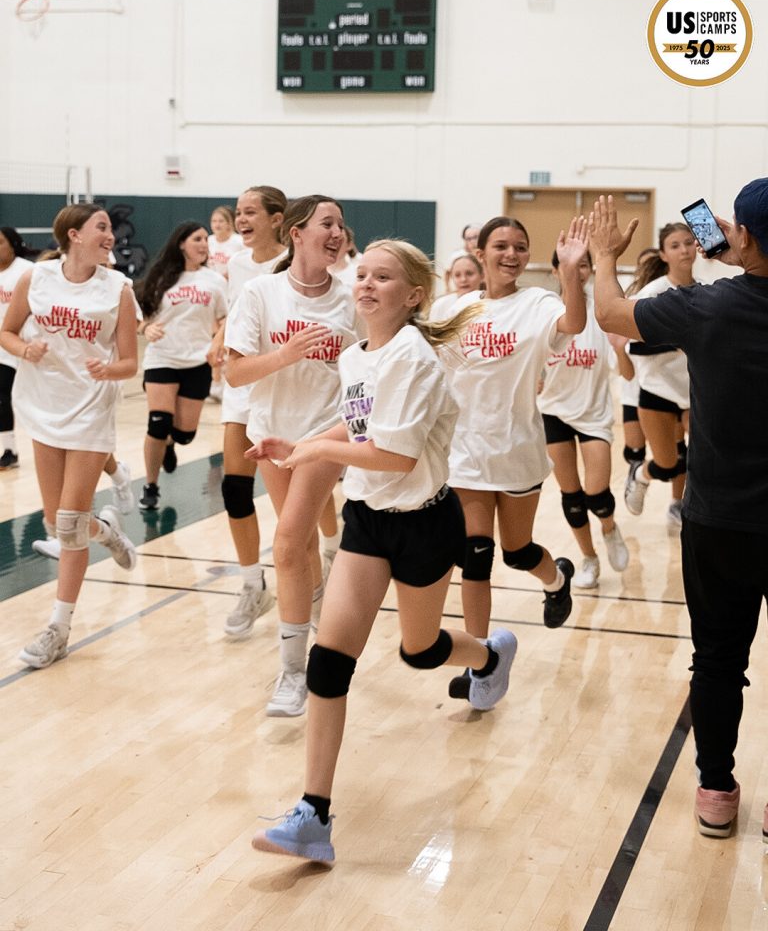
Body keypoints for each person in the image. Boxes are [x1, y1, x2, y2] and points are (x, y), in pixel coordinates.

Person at [250, 239, 518, 863]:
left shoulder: (415, 357)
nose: (367, 284)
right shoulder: (356, 356)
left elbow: (395, 456)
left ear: (414, 295)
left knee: (420, 651)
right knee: (328, 663)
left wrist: (319, 453)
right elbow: (359, 424)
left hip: (426, 525)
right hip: (368, 523)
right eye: (362, 274)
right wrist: (302, 442)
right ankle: (313, 816)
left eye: (384, 277)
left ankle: (490, 654)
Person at [589, 184, 768, 842]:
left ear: (741, 236)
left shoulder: (708, 307)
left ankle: (716, 790)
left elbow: (610, 312)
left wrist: (605, 255)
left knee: (717, 660)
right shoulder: (716, 297)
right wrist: (747, 249)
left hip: (720, 519)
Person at [440, 215, 586, 706]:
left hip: (518, 449)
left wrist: (571, 273)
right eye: (500, 245)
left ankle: (557, 579)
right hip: (466, 454)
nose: (511, 254)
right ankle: (480, 662)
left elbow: (573, 323)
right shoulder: (453, 309)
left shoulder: (538, 303)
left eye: (520, 247)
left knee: (518, 551)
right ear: (479, 252)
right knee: (475, 556)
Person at [225, 195, 360, 717]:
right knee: (300, 548)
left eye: (341, 225)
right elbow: (235, 372)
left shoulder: (351, 299)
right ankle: (321, 617)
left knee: (284, 546)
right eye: (328, 223)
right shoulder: (261, 292)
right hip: (270, 433)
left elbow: (368, 371)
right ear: (297, 233)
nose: (337, 232)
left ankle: (293, 672)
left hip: (324, 435)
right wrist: (284, 355)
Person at [0, 203, 138, 669]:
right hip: (43, 404)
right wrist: (26, 348)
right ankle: (108, 532)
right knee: (55, 522)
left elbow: (129, 362)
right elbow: (6, 333)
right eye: (102, 227)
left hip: (91, 409)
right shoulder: (36, 278)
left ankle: (58, 629)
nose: (110, 236)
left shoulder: (118, 289)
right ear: (74, 235)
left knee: (69, 523)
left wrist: (108, 369)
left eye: (110, 229)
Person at [207, 185, 287, 637]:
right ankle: (253, 584)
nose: (241, 219)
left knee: (298, 499)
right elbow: (236, 313)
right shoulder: (237, 264)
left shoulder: (294, 263)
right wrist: (219, 339)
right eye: (238, 212)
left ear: (277, 219)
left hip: (285, 386)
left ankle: (330, 549)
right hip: (242, 381)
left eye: (250, 211)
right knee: (235, 490)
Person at [537, 247, 629, 589]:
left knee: (597, 495)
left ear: (590, 270)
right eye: (569, 266)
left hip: (593, 414)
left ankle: (609, 527)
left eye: (584, 265)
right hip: (553, 412)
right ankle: (589, 557)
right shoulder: (544, 312)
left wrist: (620, 349)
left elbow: (627, 374)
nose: (577, 271)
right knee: (571, 496)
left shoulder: (602, 313)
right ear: (555, 271)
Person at [136, 220, 227, 510]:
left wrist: (219, 342)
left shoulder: (215, 281)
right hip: (161, 357)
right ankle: (150, 486)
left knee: (185, 434)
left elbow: (224, 318)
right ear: (181, 244)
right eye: (197, 239)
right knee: (158, 423)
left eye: (206, 239)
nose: (204, 244)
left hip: (197, 361)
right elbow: (138, 317)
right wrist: (146, 328)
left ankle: (171, 444)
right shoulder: (160, 277)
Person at [622, 224, 696, 525]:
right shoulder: (652, 293)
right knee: (667, 465)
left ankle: (681, 506)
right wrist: (677, 341)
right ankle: (640, 476)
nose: (684, 250)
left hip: (692, 390)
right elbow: (632, 346)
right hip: (658, 390)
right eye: (675, 245)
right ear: (664, 254)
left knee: (698, 457)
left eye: (689, 243)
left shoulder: (704, 290)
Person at [0, 226, 34, 469]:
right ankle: (9, 449)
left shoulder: (27, 271)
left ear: (13, 245)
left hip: (22, 343)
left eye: (0, 242)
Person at [431, 250, 483, 322]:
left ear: (482, 276)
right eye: (457, 275)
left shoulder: (489, 304)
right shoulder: (440, 305)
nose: (463, 279)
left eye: (469, 273)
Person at [207, 205, 243, 277]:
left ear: (229, 223)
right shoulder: (208, 240)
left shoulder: (240, 241)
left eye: (221, 221)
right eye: (214, 221)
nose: (217, 225)